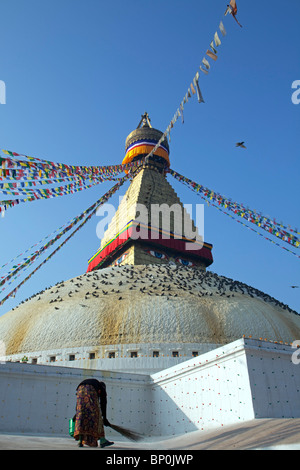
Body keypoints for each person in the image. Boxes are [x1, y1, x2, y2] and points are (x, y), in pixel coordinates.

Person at [73, 378, 114, 448]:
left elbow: (79, 404)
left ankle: (80, 441)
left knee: (81, 415)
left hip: (80, 389)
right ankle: (102, 440)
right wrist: (104, 418)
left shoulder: (95, 385)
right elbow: (103, 403)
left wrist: (77, 412)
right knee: (97, 417)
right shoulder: (101, 387)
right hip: (90, 390)